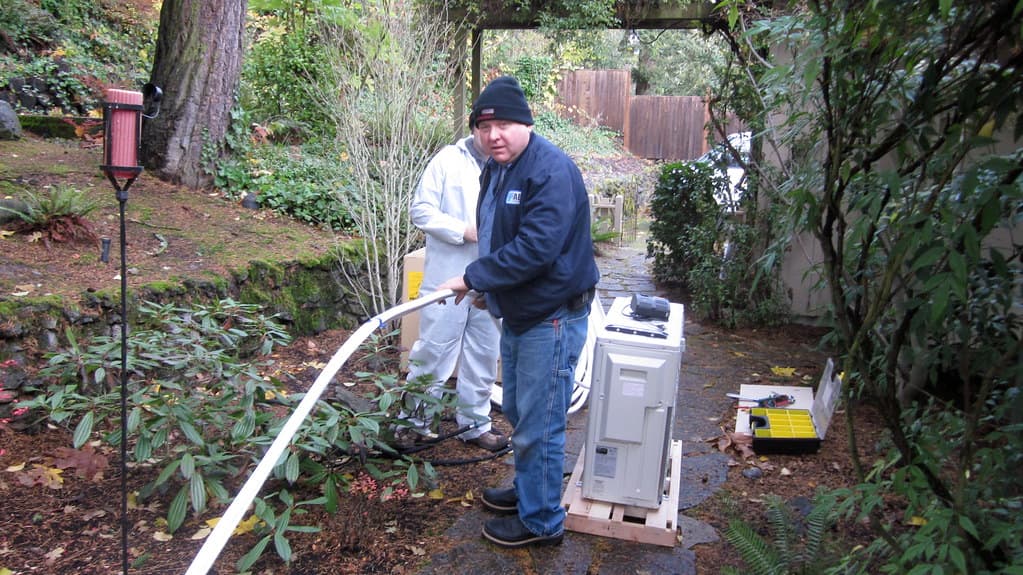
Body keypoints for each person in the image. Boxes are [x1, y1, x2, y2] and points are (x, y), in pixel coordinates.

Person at [438, 76, 599, 548]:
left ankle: (542, 521)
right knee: (518, 410)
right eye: (484, 127)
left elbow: (536, 249)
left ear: (526, 123)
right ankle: (531, 492)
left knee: (540, 422)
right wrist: (491, 288)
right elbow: (496, 233)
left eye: (505, 124)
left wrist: (474, 278)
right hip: (520, 311)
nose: (494, 136)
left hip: (551, 316)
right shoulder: (498, 168)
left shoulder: (549, 170)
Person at [402, 119, 507, 452]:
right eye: (484, 127)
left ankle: (475, 426)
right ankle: (414, 423)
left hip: (491, 280)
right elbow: (420, 210)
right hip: (447, 280)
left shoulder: (511, 166)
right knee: (433, 351)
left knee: (484, 355)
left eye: (498, 126)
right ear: (473, 128)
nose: (490, 135)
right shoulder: (447, 160)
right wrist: (465, 230)